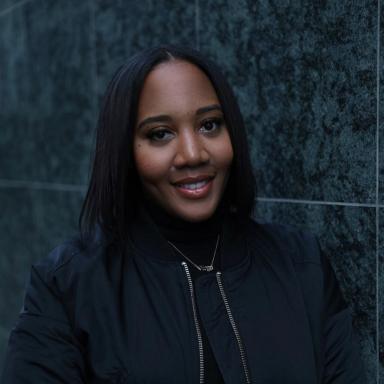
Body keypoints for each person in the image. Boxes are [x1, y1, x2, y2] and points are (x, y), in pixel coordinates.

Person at [1, 45, 366, 383]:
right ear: (125, 151)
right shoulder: (67, 287)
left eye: (209, 125)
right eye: (160, 134)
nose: (192, 154)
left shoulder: (302, 265)